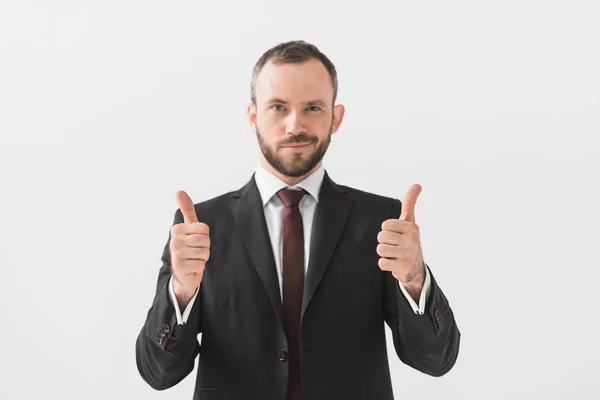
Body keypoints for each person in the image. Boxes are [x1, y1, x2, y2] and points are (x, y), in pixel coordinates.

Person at [135, 40, 460, 400]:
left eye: (312, 108)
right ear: (253, 115)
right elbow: (158, 373)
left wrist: (414, 277)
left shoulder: (382, 222)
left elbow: (436, 360)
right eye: (278, 107)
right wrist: (181, 290)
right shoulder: (201, 228)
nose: (295, 125)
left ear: (335, 118)